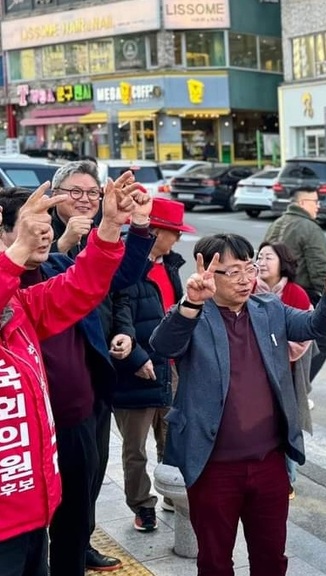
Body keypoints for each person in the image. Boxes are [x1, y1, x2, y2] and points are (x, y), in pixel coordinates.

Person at [149, 234, 326, 576]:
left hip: (268, 463)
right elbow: (163, 346)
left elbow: (314, 326)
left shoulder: (268, 308)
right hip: (213, 466)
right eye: (233, 272)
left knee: (271, 559)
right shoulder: (193, 314)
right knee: (214, 561)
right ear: (209, 273)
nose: (246, 279)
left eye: (250, 268)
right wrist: (191, 304)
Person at [0, 181, 142, 576]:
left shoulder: (18, 305)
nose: (42, 231)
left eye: (44, 222)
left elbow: (81, 287)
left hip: (28, 508)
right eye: (31, 223)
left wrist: (110, 227)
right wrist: (15, 256)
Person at [47, 160, 155, 571]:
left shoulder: (98, 233)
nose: (85, 200)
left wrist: (140, 225)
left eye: (92, 193)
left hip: (94, 372)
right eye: (75, 192)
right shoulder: (40, 231)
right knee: (59, 476)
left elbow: (123, 283)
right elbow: (30, 285)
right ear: (54, 193)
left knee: (91, 471)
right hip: (52, 379)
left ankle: (79, 543)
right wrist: (59, 247)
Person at [111, 198, 192, 533]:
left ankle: (172, 493)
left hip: (170, 367)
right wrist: (134, 357)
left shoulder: (170, 266)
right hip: (136, 369)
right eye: (173, 232)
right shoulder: (126, 265)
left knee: (171, 438)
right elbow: (118, 314)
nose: (177, 240)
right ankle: (142, 505)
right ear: (156, 231)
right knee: (135, 448)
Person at [253, 240, 317, 496]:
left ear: (283, 263)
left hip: (286, 376)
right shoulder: (248, 290)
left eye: (269, 257)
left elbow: (302, 340)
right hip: (254, 376)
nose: (262, 262)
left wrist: (270, 352)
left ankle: (287, 478)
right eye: (259, 256)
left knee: (287, 425)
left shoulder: (296, 294)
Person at [264, 188, 326, 391]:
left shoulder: (277, 223)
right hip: (300, 296)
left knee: (278, 345)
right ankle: (296, 391)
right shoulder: (309, 228)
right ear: (302, 203)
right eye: (315, 201)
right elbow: (321, 271)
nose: (318, 205)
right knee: (320, 345)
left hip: (270, 294)